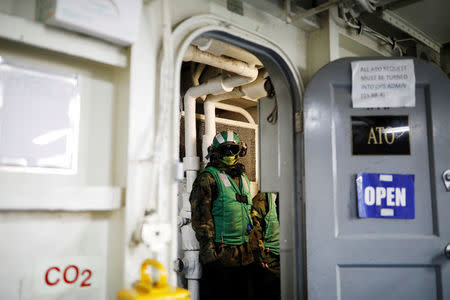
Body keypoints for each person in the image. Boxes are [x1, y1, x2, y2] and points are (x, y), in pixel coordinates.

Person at [189, 130, 257, 300]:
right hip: (220, 259)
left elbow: (249, 213)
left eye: (233, 149)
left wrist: (256, 248)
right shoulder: (208, 178)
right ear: (216, 152)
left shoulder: (243, 178)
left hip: (246, 258)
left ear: (240, 151)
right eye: (224, 150)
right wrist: (210, 257)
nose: (229, 154)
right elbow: (201, 219)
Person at [251, 192, 280, 300]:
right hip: (270, 262)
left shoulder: (297, 192)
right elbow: (254, 231)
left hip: (292, 260)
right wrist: (260, 257)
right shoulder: (263, 199)